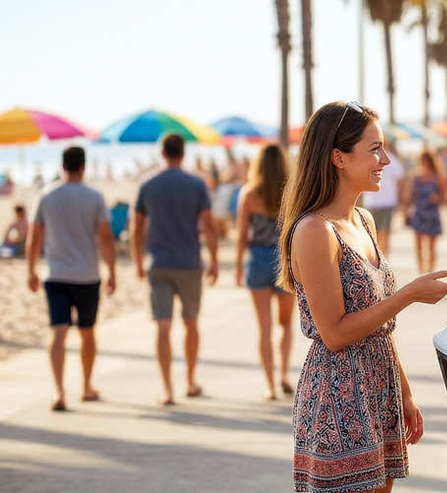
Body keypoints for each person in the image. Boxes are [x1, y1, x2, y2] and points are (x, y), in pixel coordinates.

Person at [279, 101, 447, 493]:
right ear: (338, 157)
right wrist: (410, 293)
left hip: (380, 389)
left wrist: (405, 392)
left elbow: (378, 323)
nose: (386, 159)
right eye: (375, 148)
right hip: (339, 396)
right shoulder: (314, 231)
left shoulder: (363, 220)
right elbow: (335, 334)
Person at [25, 146, 116, 411]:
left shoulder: (46, 195)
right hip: (87, 274)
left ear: (62, 165)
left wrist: (30, 270)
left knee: (58, 332)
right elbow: (105, 237)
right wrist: (112, 270)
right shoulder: (94, 197)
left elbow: (34, 237)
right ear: (84, 166)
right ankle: (86, 386)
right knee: (87, 332)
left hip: (55, 274)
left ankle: (59, 391)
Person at [132, 132, 219, 406]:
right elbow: (208, 224)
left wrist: (137, 260)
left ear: (162, 153)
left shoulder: (148, 184)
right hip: (189, 262)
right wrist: (214, 258)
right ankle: (191, 381)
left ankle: (167, 389)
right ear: (183, 153)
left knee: (163, 326)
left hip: (158, 263)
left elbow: (135, 228)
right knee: (191, 323)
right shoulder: (196, 184)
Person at [234, 143, 295, 400]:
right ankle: (283, 374)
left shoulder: (249, 194)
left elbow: (241, 234)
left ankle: (270, 386)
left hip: (257, 260)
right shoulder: (290, 193)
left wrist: (238, 265)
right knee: (286, 324)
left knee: (265, 328)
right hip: (283, 259)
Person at [402, 149, 447, 274]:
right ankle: (421, 270)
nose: (423, 163)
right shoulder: (414, 176)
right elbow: (408, 195)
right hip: (419, 213)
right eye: (422, 161)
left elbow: (444, 197)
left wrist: (437, 198)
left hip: (432, 213)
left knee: (432, 245)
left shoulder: (438, 176)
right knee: (418, 243)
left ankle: (430, 271)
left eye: (425, 161)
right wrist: (405, 211)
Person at [362, 141, 406, 254]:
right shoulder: (392, 159)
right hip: (381, 201)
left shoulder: (387, 159)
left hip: (379, 201)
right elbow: (400, 180)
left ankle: (381, 259)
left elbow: (400, 180)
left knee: (375, 233)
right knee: (380, 233)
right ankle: (381, 257)